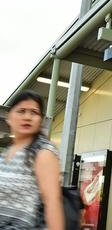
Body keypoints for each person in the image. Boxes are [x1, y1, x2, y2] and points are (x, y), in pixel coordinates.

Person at [0, 90, 64, 229]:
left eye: (34, 112)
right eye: (21, 111)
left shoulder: (43, 152)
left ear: (40, 120)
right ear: (8, 117)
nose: (27, 117)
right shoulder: (6, 152)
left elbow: (52, 203)